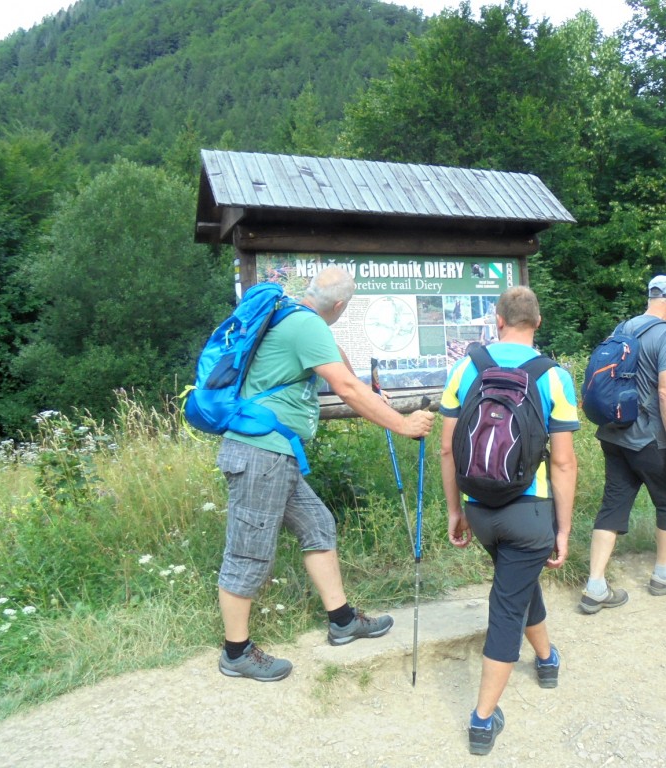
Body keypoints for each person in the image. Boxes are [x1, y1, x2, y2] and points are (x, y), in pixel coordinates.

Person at [216, 266, 434, 682]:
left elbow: (342, 370)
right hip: (260, 454)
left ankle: (342, 621)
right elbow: (346, 389)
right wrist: (402, 425)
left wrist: (371, 392)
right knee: (248, 552)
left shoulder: (296, 318)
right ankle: (236, 652)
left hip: (276, 455)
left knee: (318, 525)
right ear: (339, 305)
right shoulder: (305, 324)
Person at [439, 286, 579, 756]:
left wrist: (456, 510)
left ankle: (546, 658)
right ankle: (483, 720)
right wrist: (562, 529)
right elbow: (563, 463)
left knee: (516, 583)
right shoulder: (554, 376)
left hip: (480, 510)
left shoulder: (466, 368)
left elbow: (447, 449)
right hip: (529, 512)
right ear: (537, 322)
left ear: (497, 320)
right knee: (506, 606)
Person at [579, 275, 666, 614]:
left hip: (614, 434)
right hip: (649, 438)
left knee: (613, 503)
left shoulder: (623, 328)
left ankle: (595, 586)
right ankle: (664, 576)